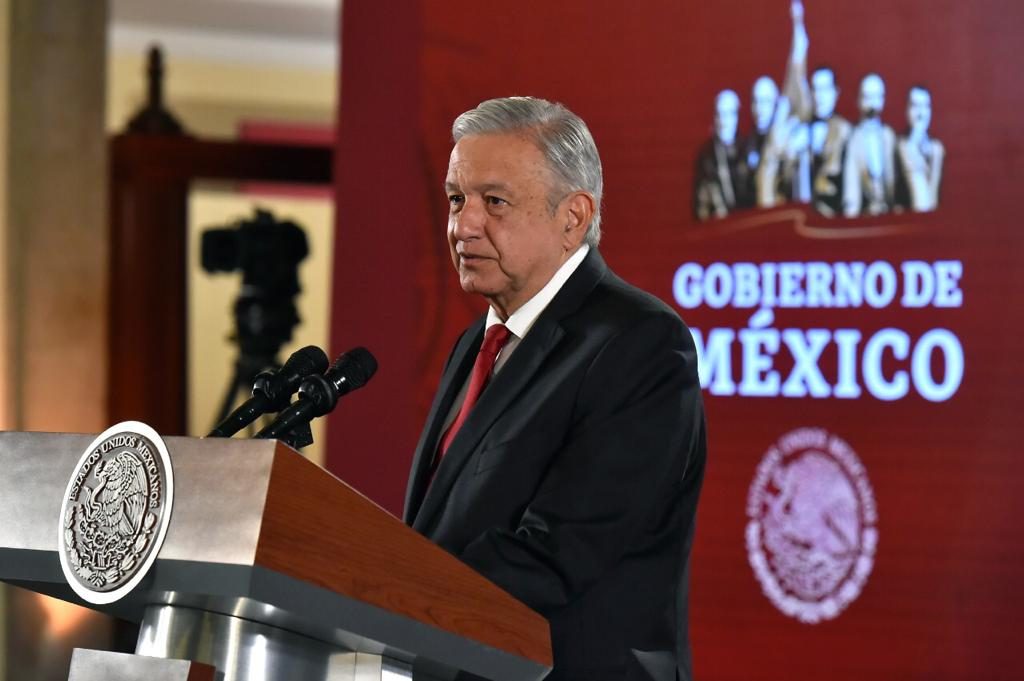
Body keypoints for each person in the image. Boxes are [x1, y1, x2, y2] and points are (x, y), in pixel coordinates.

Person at [404, 96, 707, 681]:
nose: (463, 225)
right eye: (456, 199)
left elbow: (559, 552)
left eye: (494, 201)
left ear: (573, 217)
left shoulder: (640, 343)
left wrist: (388, 596)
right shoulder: (476, 342)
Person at [842, 73, 897, 217]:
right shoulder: (853, 139)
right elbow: (851, 187)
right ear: (858, 100)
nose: (872, 105)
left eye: (876, 97)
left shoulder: (889, 136)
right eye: (867, 97)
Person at [694, 89, 752, 220]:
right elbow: (701, 201)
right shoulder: (707, 155)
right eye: (719, 115)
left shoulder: (747, 149)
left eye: (729, 114)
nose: (723, 121)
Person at [895, 85, 944, 212]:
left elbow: (932, 199)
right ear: (906, 110)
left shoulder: (936, 149)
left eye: (925, 106)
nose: (921, 113)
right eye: (915, 106)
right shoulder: (900, 146)